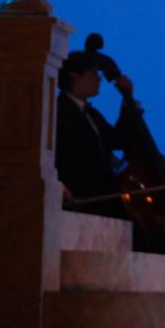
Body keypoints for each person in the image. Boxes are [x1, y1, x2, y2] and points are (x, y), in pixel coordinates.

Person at [54, 49, 134, 219]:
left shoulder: (92, 114)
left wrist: (128, 102)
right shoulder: (58, 111)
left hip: (101, 200)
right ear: (74, 76)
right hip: (82, 201)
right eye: (92, 74)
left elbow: (118, 140)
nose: (99, 79)